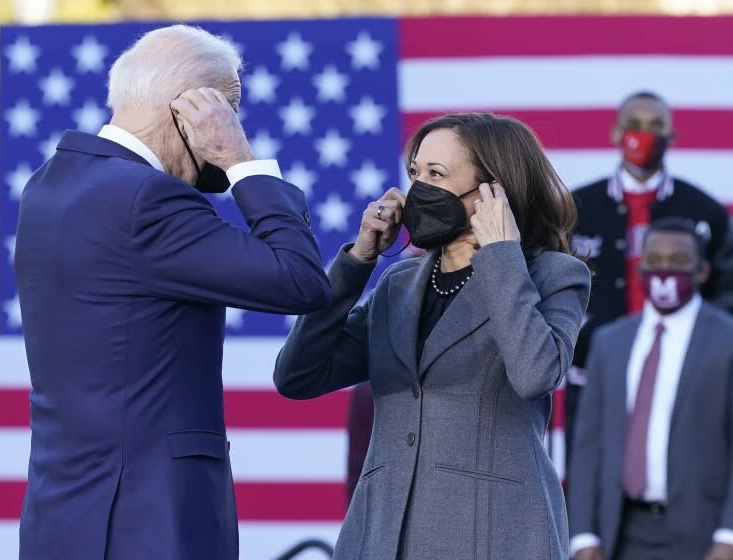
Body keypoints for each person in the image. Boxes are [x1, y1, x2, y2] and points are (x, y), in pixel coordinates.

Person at [14, 25, 330, 560]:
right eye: (229, 109)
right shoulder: (145, 199)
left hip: (62, 517)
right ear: (188, 110)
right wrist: (241, 161)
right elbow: (299, 279)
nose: (233, 122)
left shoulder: (48, 185)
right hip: (149, 522)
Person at [274, 113, 591, 559]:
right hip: (384, 534)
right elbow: (298, 376)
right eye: (415, 174)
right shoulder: (398, 284)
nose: (418, 190)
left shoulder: (554, 275)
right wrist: (356, 263)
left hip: (492, 534)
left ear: (492, 192)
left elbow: (535, 374)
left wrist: (500, 255)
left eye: (436, 175)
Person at [566, 91, 733, 462]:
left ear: (672, 137)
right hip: (594, 372)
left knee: (682, 477)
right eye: (634, 125)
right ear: (615, 134)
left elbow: (727, 291)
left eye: (656, 126)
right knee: (592, 484)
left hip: (682, 375)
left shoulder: (704, 211)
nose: (644, 135)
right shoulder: (575, 209)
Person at [568, 217, 733, 560]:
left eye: (678, 262)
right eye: (655, 261)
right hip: (621, 534)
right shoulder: (610, 342)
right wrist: (582, 536)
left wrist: (728, 535)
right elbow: (588, 447)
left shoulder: (727, 339)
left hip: (704, 534)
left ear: (701, 271)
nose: (664, 271)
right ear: (641, 267)